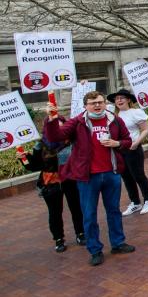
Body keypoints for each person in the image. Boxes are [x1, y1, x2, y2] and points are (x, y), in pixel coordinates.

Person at [43, 91, 135, 266]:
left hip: (111, 173)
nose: (98, 105)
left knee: (114, 211)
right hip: (88, 177)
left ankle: (118, 243)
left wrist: (117, 144)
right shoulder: (77, 122)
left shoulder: (114, 119)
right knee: (89, 214)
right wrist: (52, 119)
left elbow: (127, 141)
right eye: (93, 103)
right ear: (86, 106)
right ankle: (95, 249)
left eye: (100, 102)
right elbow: (55, 137)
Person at [17, 136, 84, 252]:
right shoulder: (40, 146)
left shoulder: (71, 141)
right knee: (55, 212)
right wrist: (24, 158)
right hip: (51, 182)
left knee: (76, 207)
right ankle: (59, 239)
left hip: (70, 179)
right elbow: (33, 166)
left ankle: (81, 233)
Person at [107, 89, 148, 215]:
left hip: (133, 148)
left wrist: (137, 142)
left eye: (122, 98)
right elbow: (96, 101)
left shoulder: (135, 112)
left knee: (138, 175)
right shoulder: (113, 114)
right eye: (117, 99)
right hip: (119, 149)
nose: (119, 100)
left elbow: (145, 129)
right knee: (126, 177)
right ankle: (135, 202)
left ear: (128, 100)